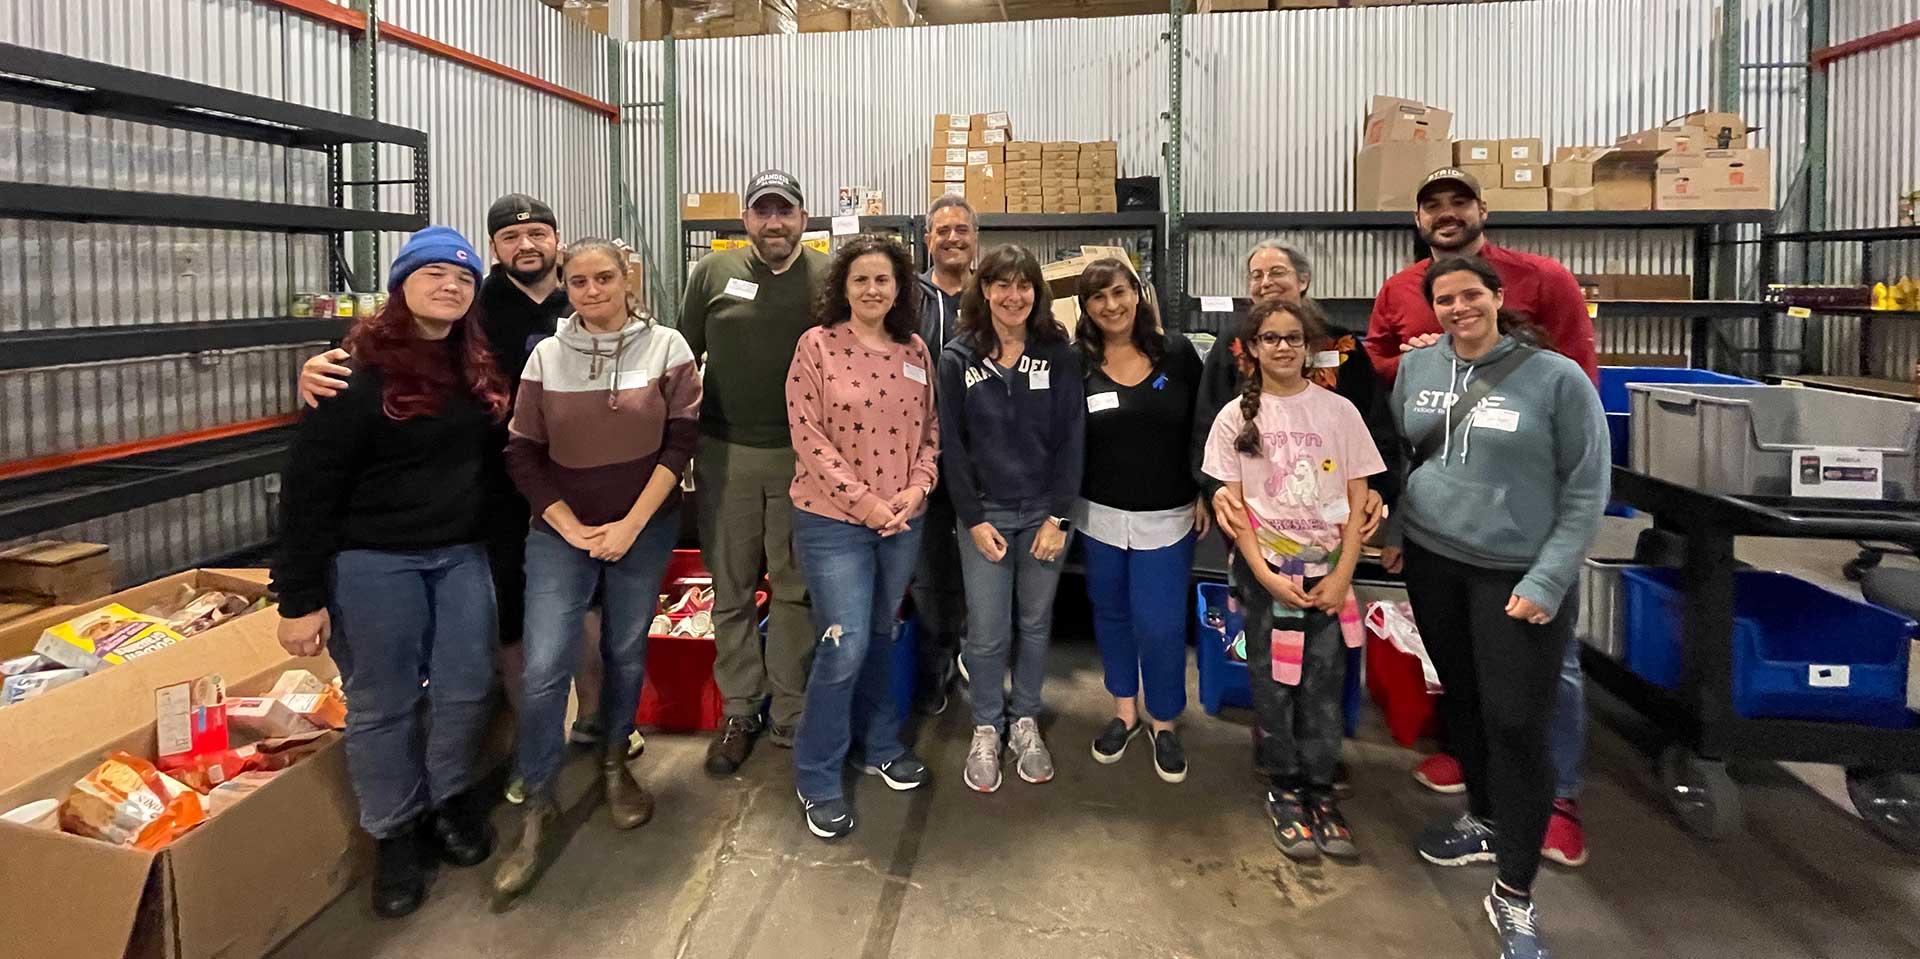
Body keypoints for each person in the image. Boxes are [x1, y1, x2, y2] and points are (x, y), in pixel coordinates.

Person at [299, 197, 636, 801]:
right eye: (510, 236)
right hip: (494, 499)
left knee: (589, 612)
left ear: (558, 241)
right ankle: (530, 740)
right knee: (507, 623)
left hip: (584, 487)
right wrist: (319, 367)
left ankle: (595, 723)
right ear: (495, 249)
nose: (526, 245)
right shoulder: (474, 310)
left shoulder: (584, 299)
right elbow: (388, 351)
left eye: (537, 233)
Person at [271, 226, 507, 919]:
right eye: (433, 273)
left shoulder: (476, 365)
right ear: (401, 284)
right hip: (373, 562)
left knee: (466, 686)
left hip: (460, 555)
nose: (450, 286)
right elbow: (308, 489)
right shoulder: (352, 373)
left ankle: (447, 798)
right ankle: (395, 833)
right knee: (384, 702)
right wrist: (299, 595)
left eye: (463, 277)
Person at [1366, 169, 1597, 866]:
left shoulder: (1546, 293)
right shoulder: (1404, 308)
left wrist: (1555, 568)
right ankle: (1482, 793)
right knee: (1462, 675)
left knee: (1538, 684)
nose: (1458, 307)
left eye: (1457, 202)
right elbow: (1402, 422)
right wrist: (1400, 530)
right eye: (1432, 204)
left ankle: (1554, 800)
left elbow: (1582, 438)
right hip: (1439, 547)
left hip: (1520, 545)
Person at [492, 238, 701, 896]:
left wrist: (632, 524)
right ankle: (538, 800)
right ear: (565, 284)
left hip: (643, 526)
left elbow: (682, 439)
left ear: (626, 278)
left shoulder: (668, 348)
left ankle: (615, 758)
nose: (591, 290)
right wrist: (571, 525)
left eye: (603, 277)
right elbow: (522, 451)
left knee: (624, 649)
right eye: (577, 280)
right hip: (561, 531)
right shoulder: (545, 357)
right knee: (547, 661)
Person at [1190, 242, 1394, 794]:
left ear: (1303, 281)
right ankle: (1278, 752)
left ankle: (1319, 756)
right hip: (1261, 537)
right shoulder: (1229, 352)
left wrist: (1382, 496)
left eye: (1276, 271)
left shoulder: (1345, 349)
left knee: (1326, 665)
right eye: (1254, 274)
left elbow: (1375, 432)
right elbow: (1206, 427)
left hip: (1332, 538)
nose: (1264, 281)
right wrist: (1213, 491)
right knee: (1269, 659)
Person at [785, 235, 941, 840]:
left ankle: (877, 743)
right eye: (861, 280)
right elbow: (808, 435)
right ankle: (817, 772)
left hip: (902, 520)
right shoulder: (817, 347)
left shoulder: (916, 349)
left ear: (900, 288)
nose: (873, 290)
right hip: (834, 522)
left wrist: (917, 490)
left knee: (882, 632)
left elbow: (931, 432)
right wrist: (868, 505)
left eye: (883, 280)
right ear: (842, 288)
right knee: (843, 643)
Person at [680, 170, 828, 774]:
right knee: (733, 588)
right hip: (726, 453)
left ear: (803, 217)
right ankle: (740, 708)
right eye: (763, 211)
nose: (775, 222)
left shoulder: (827, 278)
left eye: (785, 211)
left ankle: (791, 710)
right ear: (746, 219)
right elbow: (684, 357)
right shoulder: (712, 275)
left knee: (795, 587)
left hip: (805, 457)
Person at [938, 245, 1085, 793]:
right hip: (986, 517)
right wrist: (972, 519)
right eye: (1001, 285)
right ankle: (985, 726)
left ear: (1037, 293)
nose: (1013, 296)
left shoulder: (1058, 354)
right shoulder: (957, 358)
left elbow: (1073, 437)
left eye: (1023, 285)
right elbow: (951, 445)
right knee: (987, 630)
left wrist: (1059, 516)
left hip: (1044, 514)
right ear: (984, 291)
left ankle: (1024, 720)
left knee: (1036, 623)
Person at [1075, 257, 1206, 783]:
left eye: (1119, 292)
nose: (1111, 305)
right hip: (1098, 515)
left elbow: (1206, 425)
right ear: (1086, 307)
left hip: (1168, 517)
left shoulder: (1176, 353)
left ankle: (1165, 719)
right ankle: (1124, 711)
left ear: (1138, 293)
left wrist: (1205, 491)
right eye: (1098, 296)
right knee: (1111, 615)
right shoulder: (1077, 361)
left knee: (1161, 623)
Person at [908, 194, 977, 715]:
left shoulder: (998, 292)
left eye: (962, 229)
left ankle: (980, 659)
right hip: (921, 456)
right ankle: (936, 664)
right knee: (931, 567)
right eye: (942, 230)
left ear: (976, 238)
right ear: (927, 239)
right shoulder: (910, 296)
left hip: (983, 458)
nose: (952, 238)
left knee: (983, 565)